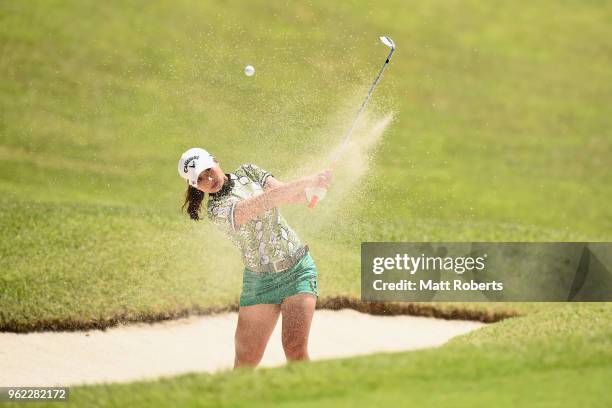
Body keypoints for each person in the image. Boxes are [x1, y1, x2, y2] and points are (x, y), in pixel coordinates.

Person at [177, 147, 332, 369]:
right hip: (259, 284)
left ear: (216, 160)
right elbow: (262, 203)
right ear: (194, 186)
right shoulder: (217, 211)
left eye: (209, 170)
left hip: (297, 269)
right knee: (245, 361)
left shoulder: (248, 171)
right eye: (200, 179)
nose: (209, 179)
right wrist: (308, 180)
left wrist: (316, 189)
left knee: (294, 349)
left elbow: (289, 195)